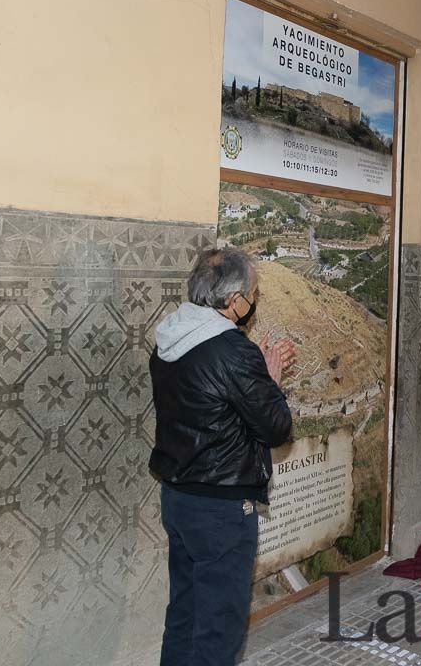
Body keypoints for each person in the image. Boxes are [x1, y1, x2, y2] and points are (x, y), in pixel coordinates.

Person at [149, 248, 295, 665]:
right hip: (222, 508)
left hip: (178, 498)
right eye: (253, 293)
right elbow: (276, 427)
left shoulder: (168, 339)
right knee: (219, 629)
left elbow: (210, 411)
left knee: (184, 614)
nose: (254, 301)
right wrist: (270, 379)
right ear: (233, 300)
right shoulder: (234, 350)